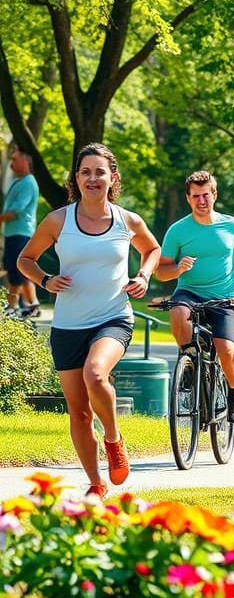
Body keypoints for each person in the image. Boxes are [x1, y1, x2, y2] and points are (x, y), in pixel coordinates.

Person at [16, 143, 160, 498]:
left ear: (113, 178)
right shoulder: (57, 221)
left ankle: (113, 437)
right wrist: (46, 281)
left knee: (96, 373)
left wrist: (143, 275)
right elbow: (25, 260)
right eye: (85, 172)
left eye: (100, 172)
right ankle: (96, 484)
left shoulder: (127, 220)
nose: (93, 178)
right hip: (67, 326)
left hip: (113, 317)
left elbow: (152, 250)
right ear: (76, 178)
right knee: (79, 413)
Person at [155, 171, 234, 424]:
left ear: (214, 195)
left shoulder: (232, 225)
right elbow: (161, 270)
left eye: (206, 195)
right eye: (196, 196)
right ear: (188, 198)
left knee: (226, 350)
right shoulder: (177, 230)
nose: (202, 201)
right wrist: (177, 269)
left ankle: (233, 393)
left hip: (224, 297)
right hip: (189, 292)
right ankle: (188, 361)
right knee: (177, 311)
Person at [1, 148, 41, 318]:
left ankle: (12, 305)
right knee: (22, 271)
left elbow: (16, 211)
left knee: (15, 269)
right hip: (14, 233)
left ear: (25, 161)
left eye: (15, 159)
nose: (11, 163)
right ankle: (33, 305)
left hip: (21, 233)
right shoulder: (20, 181)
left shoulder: (28, 183)